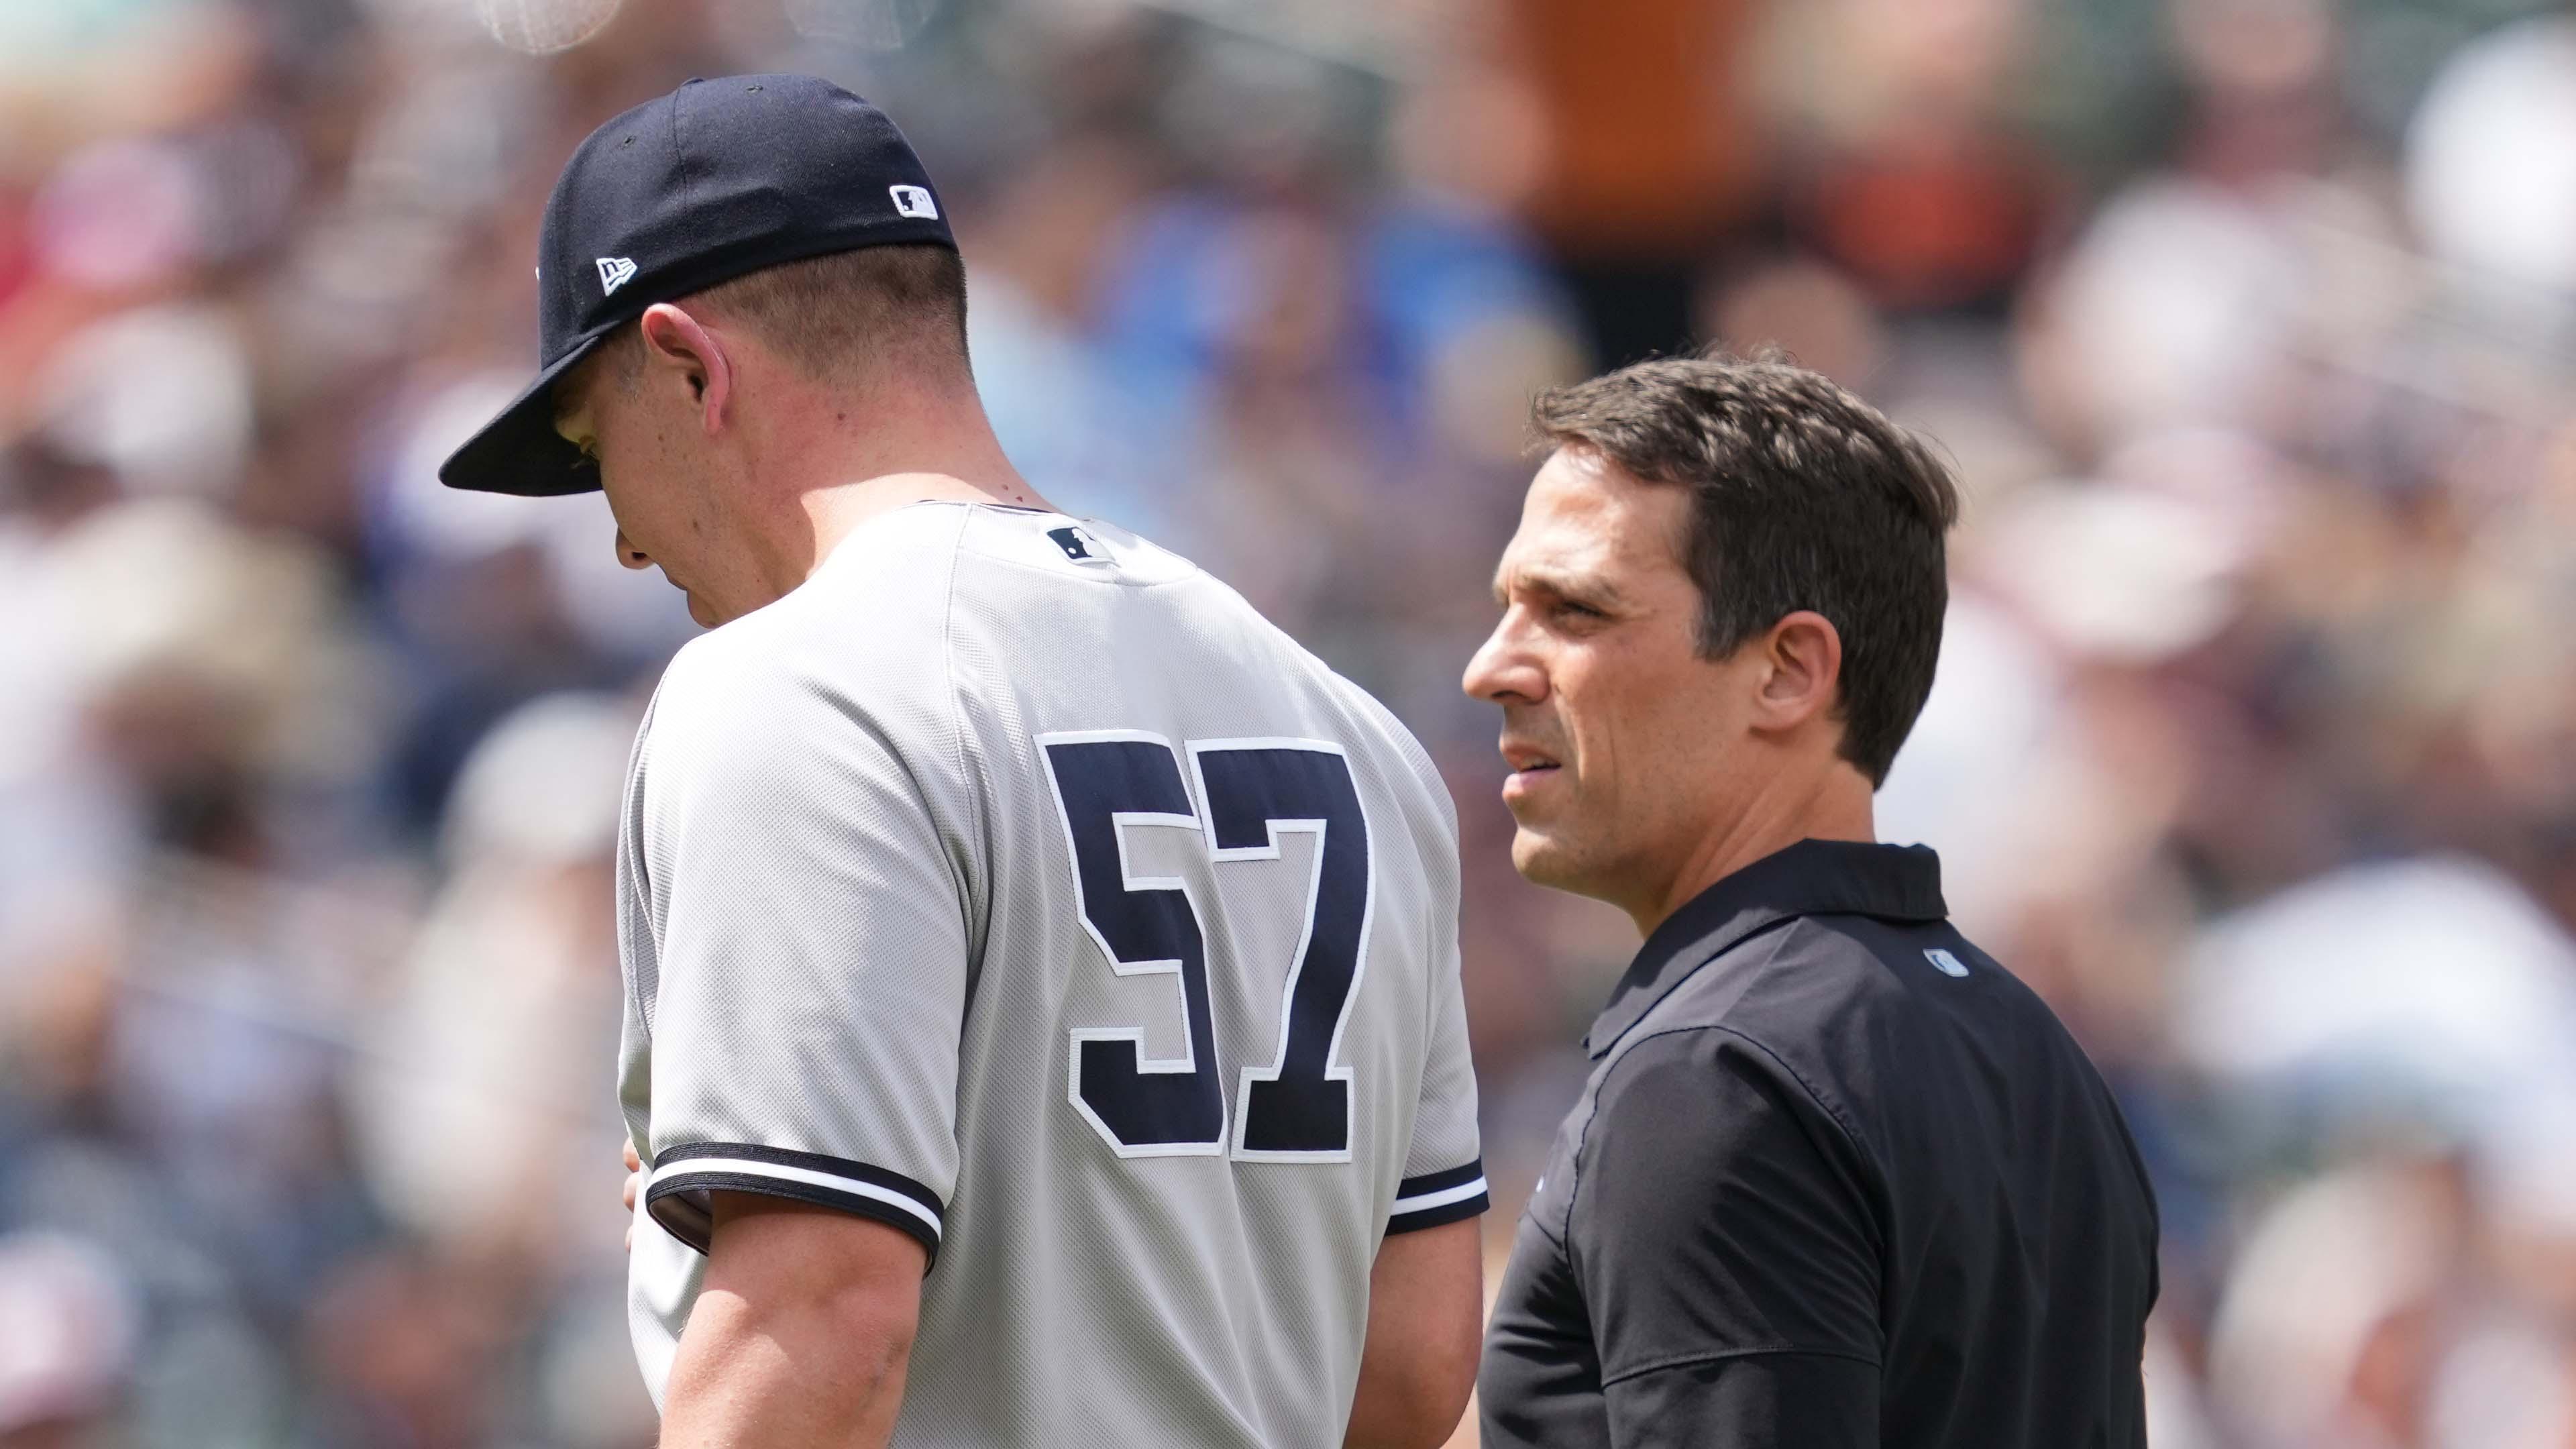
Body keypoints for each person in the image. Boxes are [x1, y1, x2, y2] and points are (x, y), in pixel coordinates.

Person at [439, 75, 1487, 1448]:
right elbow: (1411, 1368)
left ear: (690, 367)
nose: (626, 542)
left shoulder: (796, 689)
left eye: (596, 446)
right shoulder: (1346, 726)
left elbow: (821, 1327)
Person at [1464, 354, 2158, 1448]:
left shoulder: (1715, 1075)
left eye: (1577, 609)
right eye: (1509, 607)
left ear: (1789, 670)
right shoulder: (2033, 1048)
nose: (1493, 666)